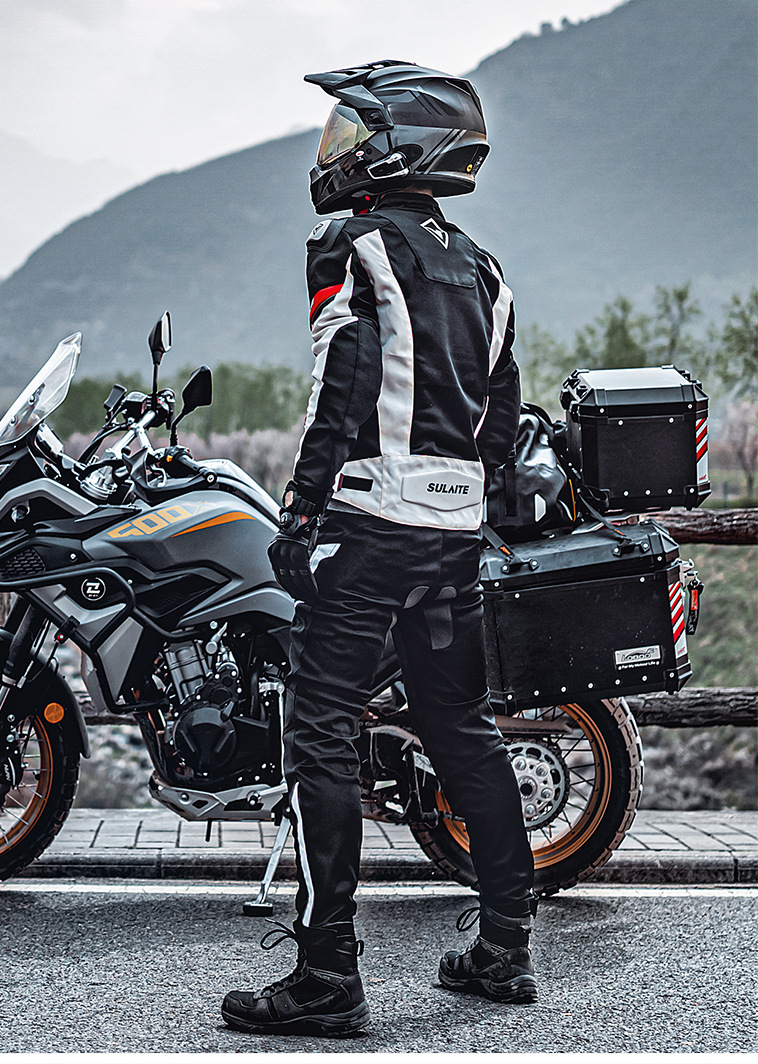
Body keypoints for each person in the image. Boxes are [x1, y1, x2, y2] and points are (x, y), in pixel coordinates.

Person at [221, 59, 537, 1038]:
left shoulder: (350, 246)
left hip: (367, 528)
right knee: (463, 729)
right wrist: (466, 507)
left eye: (350, 133)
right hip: (452, 536)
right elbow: (502, 414)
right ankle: (504, 947)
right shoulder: (485, 270)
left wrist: (300, 511)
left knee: (319, 728)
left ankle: (327, 972)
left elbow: (341, 382)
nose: (335, 152)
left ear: (394, 146)